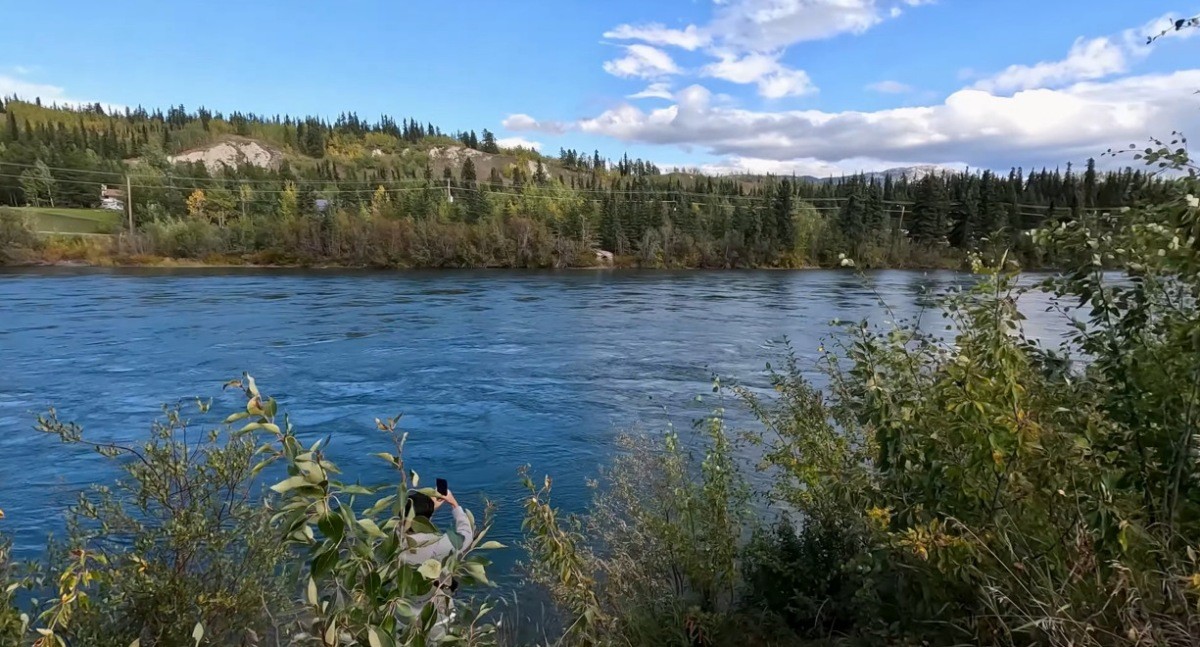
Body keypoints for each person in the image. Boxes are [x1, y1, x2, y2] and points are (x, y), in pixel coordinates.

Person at [399, 488, 473, 641]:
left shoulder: (394, 540)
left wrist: (429, 508)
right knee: (438, 639)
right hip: (435, 607)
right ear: (425, 520)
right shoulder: (440, 544)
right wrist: (454, 504)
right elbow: (466, 535)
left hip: (403, 608)